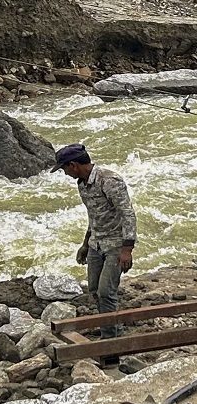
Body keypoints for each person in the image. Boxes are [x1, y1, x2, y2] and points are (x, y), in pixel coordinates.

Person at [53, 143, 137, 348]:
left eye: (64, 169)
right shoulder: (82, 184)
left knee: (106, 291)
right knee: (94, 289)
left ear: (73, 165)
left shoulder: (109, 180)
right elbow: (94, 215)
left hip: (115, 244)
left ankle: (110, 341)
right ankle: (112, 328)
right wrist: (85, 244)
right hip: (96, 244)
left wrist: (127, 250)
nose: (65, 174)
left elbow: (127, 214)